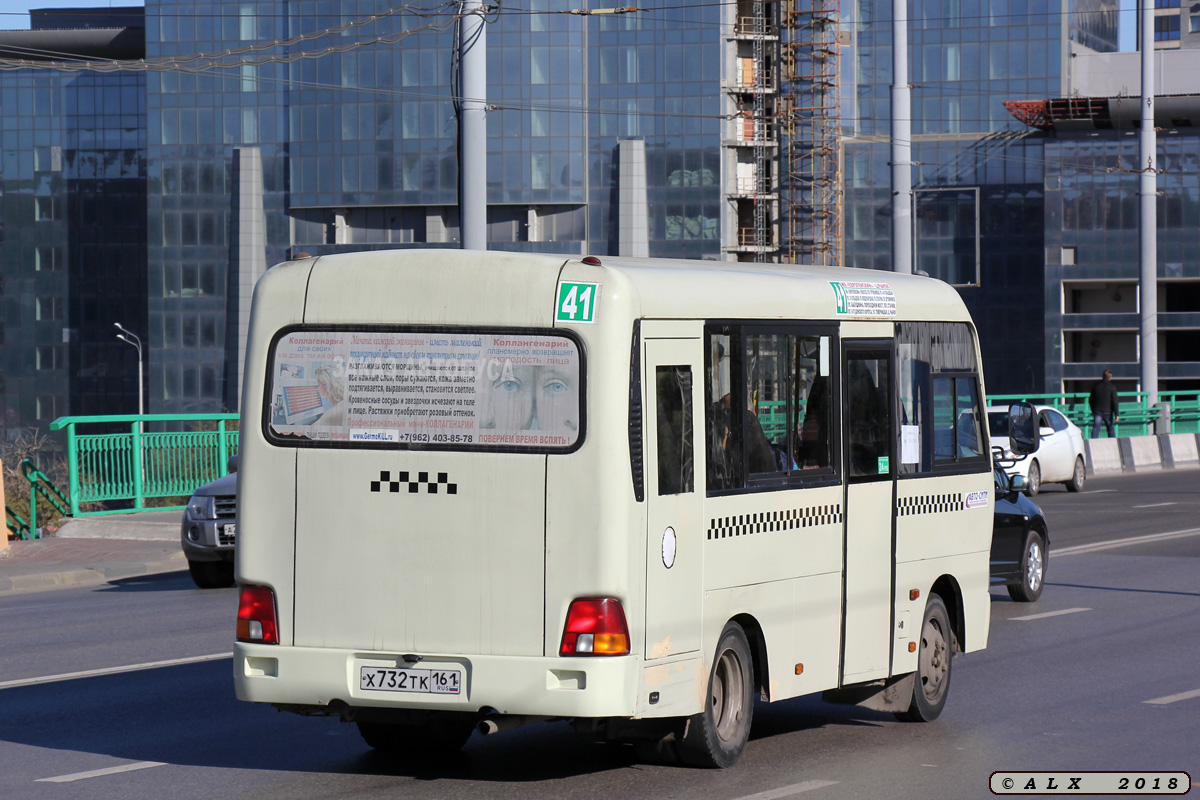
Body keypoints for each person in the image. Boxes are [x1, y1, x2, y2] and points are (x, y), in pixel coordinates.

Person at [1088, 369, 1120, 438]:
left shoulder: (1096, 386)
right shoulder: (1112, 387)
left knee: (1096, 428)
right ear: (1110, 377)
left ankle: (1093, 444)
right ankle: (1113, 443)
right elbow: (1115, 401)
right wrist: (1116, 414)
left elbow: (1091, 399)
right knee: (1110, 429)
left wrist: (1093, 410)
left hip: (1097, 411)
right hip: (1108, 411)